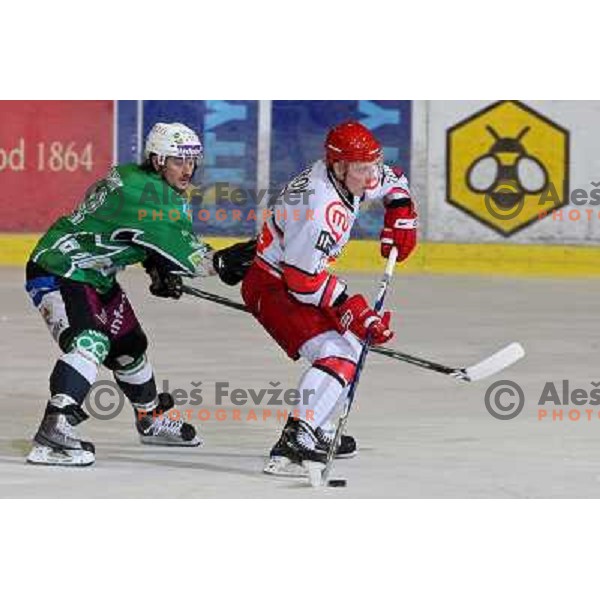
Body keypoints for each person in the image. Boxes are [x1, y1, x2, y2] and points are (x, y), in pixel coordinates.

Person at [25, 122, 255, 466]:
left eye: (192, 161)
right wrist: (223, 261)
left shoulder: (135, 177)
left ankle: (150, 418)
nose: (188, 170)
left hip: (94, 273)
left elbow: (125, 231)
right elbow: (194, 259)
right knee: (90, 340)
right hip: (61, 269)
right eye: (179, 161)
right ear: (158, 160)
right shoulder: (150, 196)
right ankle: (54, 429)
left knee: (129, 347)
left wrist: (155, 265)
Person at [241, 120, 417, 476]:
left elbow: (393, 179)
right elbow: (301, 282)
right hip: (274, 287)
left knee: (352, 347)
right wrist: (351, 308)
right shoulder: (319, 210)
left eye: (372, 165)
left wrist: (401, 212)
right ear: (339, 167)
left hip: (290, 278)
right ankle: (296, 438)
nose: (372, 177)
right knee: (337, 354)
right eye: (363, 168)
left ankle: (315, 424)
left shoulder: (346, 171)